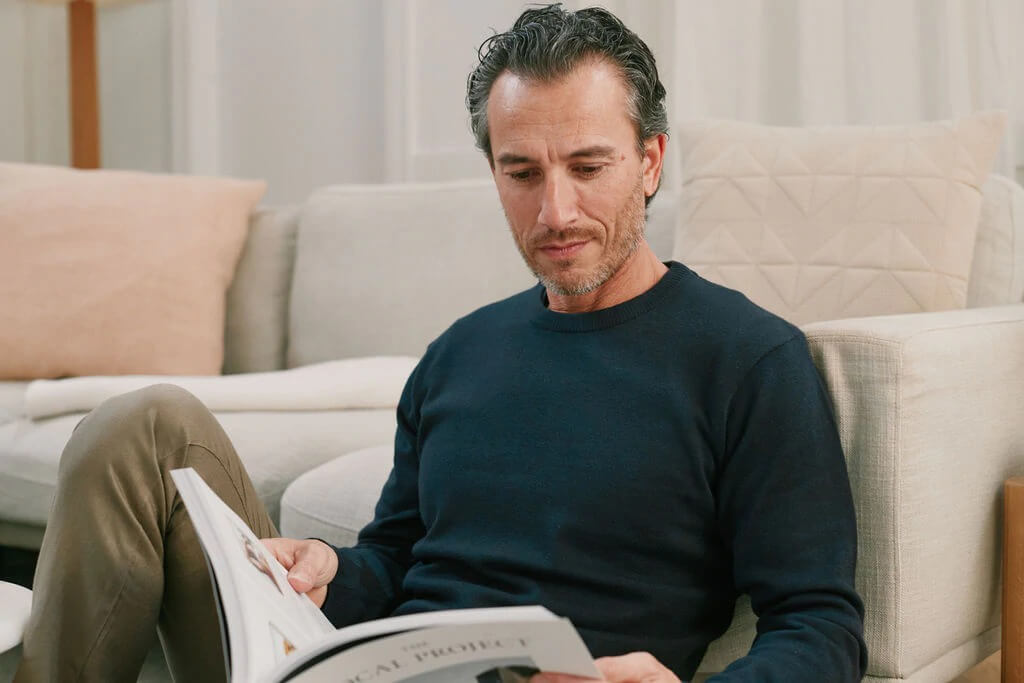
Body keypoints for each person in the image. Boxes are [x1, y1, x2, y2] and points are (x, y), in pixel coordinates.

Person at [15, 5, 867, 682]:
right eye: (522, 172)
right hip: (364, 671)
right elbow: (394, 553)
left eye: (588, 166)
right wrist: (328, 567)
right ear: (492, 169)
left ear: (651, 161)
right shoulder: (460, 353)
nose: (556, 212)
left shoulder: (749, 360)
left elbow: (820, 625)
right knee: (143, 425)